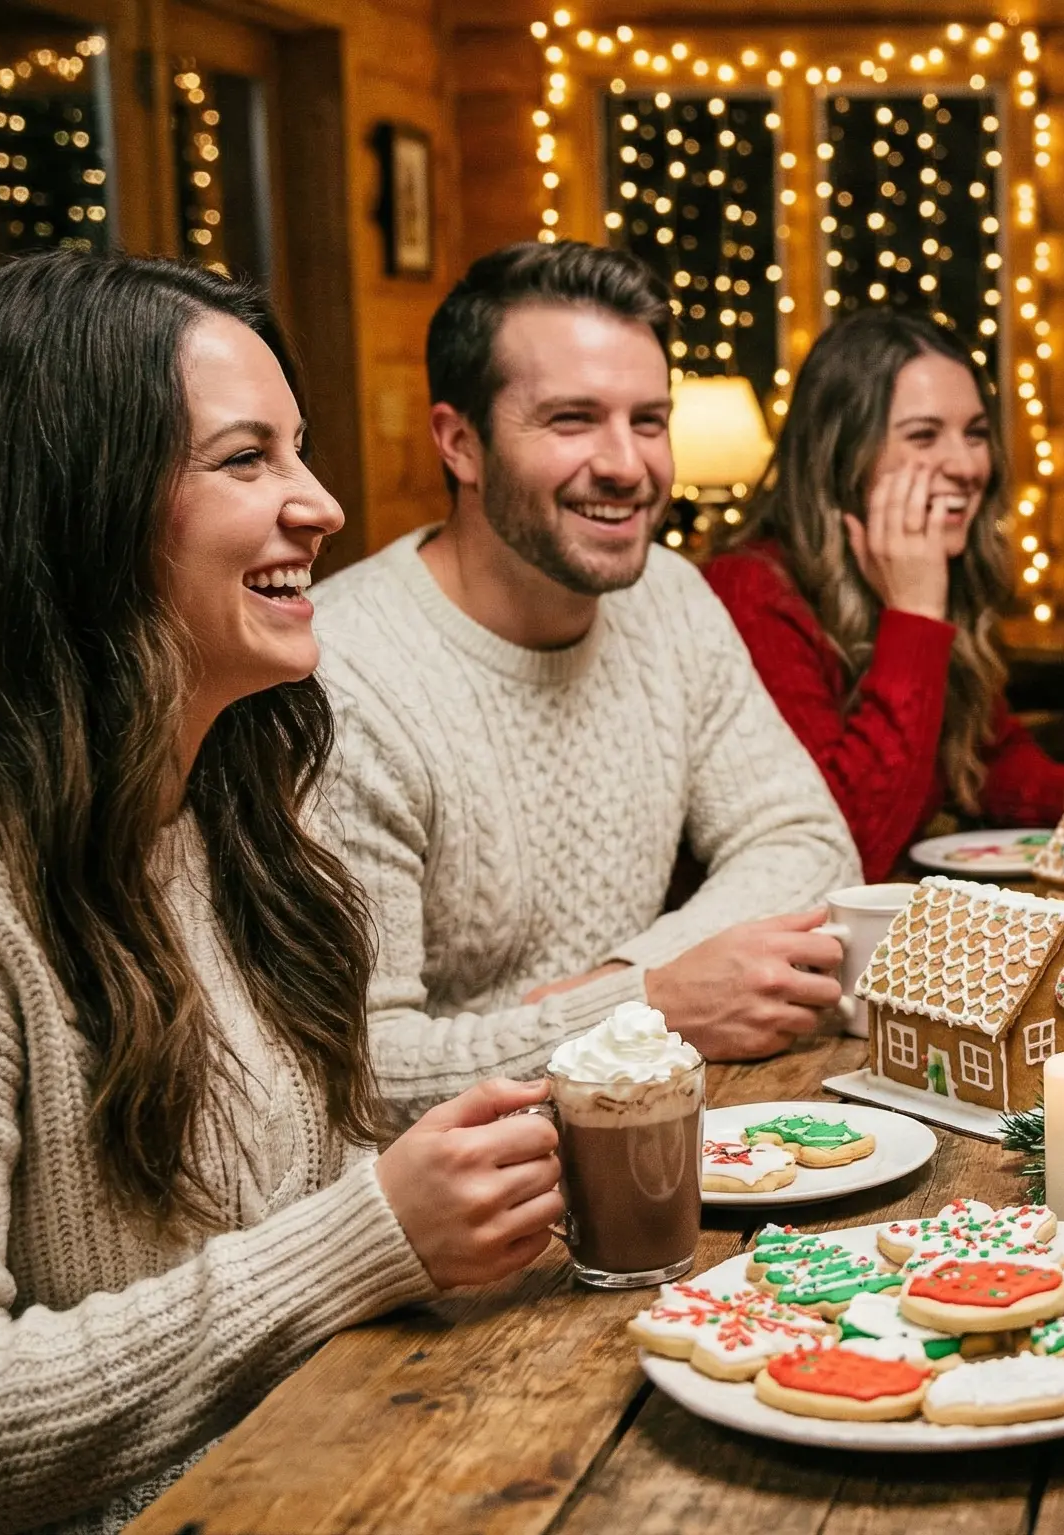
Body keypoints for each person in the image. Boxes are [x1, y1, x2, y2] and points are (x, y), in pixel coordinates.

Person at [0, 253, 562, 1533]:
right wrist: (365, 1239)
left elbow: (313, 1214)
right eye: (248, 461)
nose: (322, 504)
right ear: (75, 507)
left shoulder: (234, 801)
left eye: (301, 451)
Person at [315, 243, 860, 1121]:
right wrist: (645, 1009)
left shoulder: (670, 599)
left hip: (664, 1132)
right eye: (572, 419)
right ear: (461, 443)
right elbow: (362, 1075)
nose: (627, 465)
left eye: (648, 420)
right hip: (459, 1210)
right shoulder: (346, 680)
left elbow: (806, 842)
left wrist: (626, 989)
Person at [704, 308, 1064, 882]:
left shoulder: (931, 569)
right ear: (842, 456)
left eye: (975, 434)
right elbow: (843, 851)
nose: (968, 466)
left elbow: (982, 755)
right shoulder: (750, 594)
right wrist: (913, 617)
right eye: (924, 435)